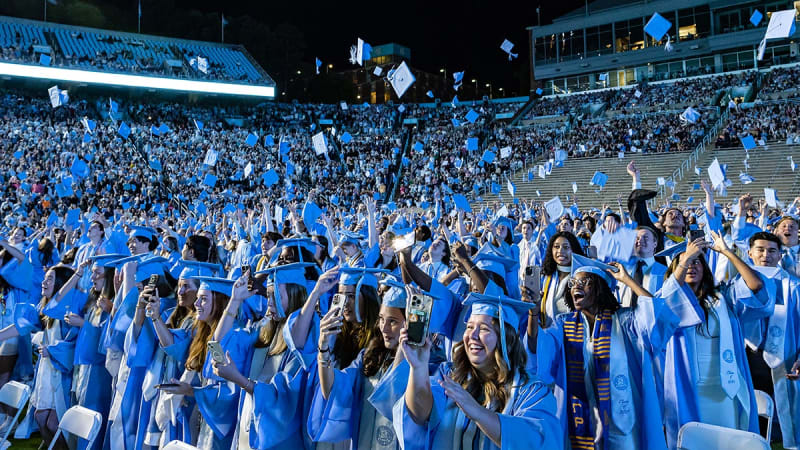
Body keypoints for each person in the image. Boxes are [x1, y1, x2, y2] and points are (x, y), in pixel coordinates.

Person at [536, 255, 676, 449]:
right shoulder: (563, 324)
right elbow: (539, 349)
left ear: (600, 288)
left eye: (584, 282)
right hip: (582, 417)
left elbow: (658, 318)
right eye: (573, 282)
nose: (576, 286)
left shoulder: (625, 322)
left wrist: (627, 280)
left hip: (622, 418)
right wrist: (532, 313)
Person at [393, 292, 563, 450]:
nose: (472, 336)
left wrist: (476, 411)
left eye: (483, 329)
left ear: (507, 339)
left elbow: (537, 441)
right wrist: (418, 367)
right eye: (469, 327)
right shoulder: (450, 375)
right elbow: (419, 414)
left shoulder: (531, 391)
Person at [658, 231, 775, 448]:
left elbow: (757, 288)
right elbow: (665, 306)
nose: (692, 266)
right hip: (688, 386)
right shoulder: (664, 299)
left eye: (697, 262)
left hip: (724, 387)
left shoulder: (724, 297)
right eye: (685, 262)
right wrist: (686, 258)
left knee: (727, 440)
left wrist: (728, 253)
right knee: (693, 440)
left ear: (705, 268)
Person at [210, 262, 314, 449]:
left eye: (276, 297)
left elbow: (284, 399)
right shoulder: (264, 330)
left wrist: (240, 380)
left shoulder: (305, 342)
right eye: (268, 296)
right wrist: (235, 301)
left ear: (295, 295)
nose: (269, 303)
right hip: (249, 426)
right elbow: (219, 345)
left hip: (280, 438)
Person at [307, 277, 413, 449]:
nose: (384, 328)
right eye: (381, 319)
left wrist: (405, 348)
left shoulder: (425, 367)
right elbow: (332, 390)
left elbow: (395, 402)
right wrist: (323, 347)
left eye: (392, 321)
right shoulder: (370, 356)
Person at [157, 276, 237, 449]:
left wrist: (192, 391)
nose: (196, 304)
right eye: (198, 298)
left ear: (220, 303)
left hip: (219, 429)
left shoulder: (234, 337)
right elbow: (172, 345)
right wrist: (155, 316)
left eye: (204, 299)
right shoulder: (201, 333)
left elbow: (227, 392)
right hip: (202, 419)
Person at [741, 231, 800, 447]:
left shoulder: (793, 286)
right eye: (760, 249)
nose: (766, 255)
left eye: (772, 250)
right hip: (746, 353)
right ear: (749, 253)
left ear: (780, 255)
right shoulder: (737, 284)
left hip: (785, 354)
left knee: (785, 409)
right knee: (749, 406)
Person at [540, 232, 585, 327]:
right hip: (549, 333)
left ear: (574, 250)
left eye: (566, 247)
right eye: (556, 247)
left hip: (575, 333)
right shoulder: (546, 277)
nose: (560, 251)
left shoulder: (582, 278)